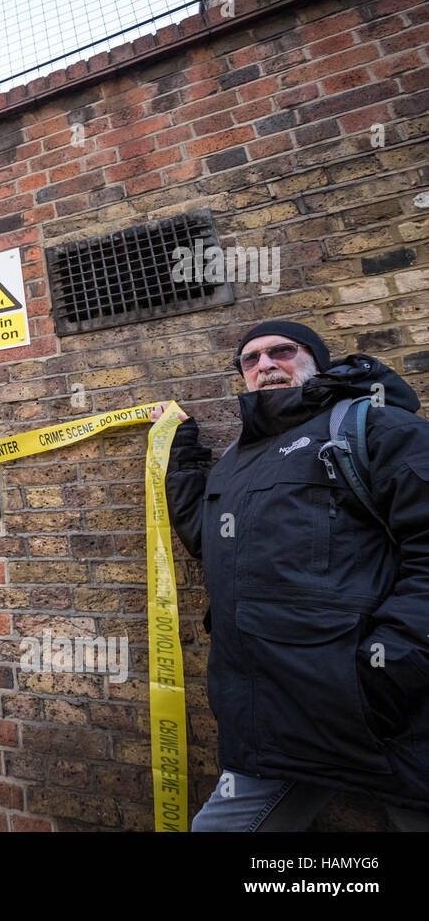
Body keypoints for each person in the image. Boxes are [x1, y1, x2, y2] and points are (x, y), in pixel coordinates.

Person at [155, 320, 429, 831]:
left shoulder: (374, 429)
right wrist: (182, 450)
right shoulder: (239, 459)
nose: (265, 365)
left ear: (315, 361)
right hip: (279, 716)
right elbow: (210, 540)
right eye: (251, 359)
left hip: (390, 714)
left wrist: (389, 671)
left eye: (281, 351)